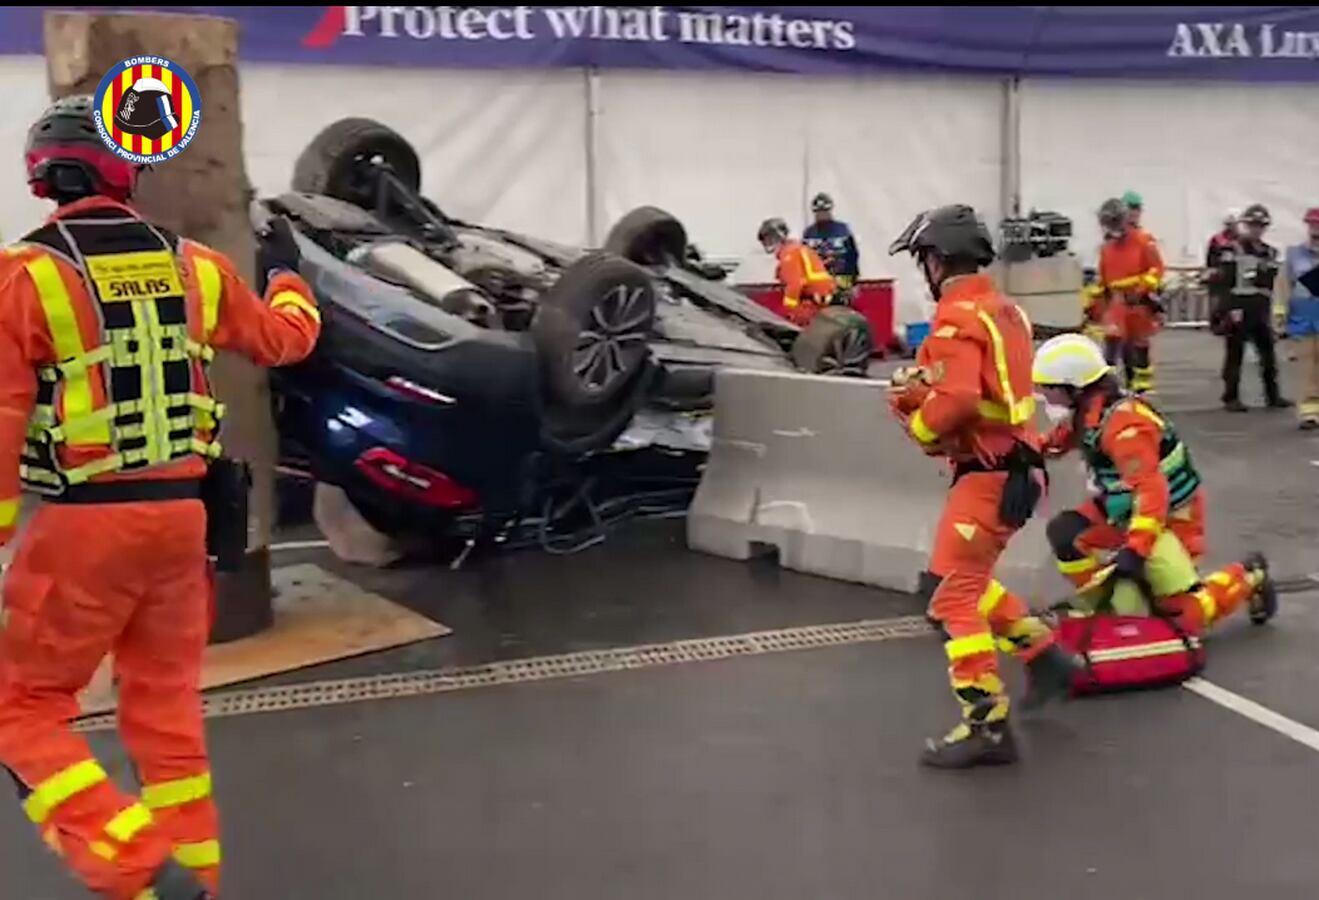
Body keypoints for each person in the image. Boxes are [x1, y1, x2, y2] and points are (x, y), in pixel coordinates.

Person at [0, 95, 321, 899]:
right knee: (167, 722)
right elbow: (285, 340)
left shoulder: (23, 276)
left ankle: (136, 868)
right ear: (125, 172)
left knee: (21, 709)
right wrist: (289, 281)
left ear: (44, 180)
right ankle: (191, 887)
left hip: (83, 529)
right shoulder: (196, 267)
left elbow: (3, 420)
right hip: (184, 525)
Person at [887, 204, 1080, 770]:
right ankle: (1045, 656)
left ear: (937, 260)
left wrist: (915, 422)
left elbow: (959, 400)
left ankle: (987, 725)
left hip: (988, 475)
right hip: (1015, 466)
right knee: (962, 581)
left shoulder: (955, 318)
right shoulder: (1006, 311)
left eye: (922, 258)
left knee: (951, 600)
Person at [1033, 333, 1277, 633]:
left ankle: (1249, 575)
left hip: (1170, 518)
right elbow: (1054, 443)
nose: (1044, 397)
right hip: (1121, 508)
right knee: (1065, 533)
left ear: (1074, 387)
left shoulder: (1125, 427)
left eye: (1049, 389)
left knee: (1184, 618)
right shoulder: (1087, 414)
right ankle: (1107, 603)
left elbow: (1152, 494)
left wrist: (1136, 550)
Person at [1210, 203, 1291, 412]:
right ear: (1246, 225)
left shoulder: (1270, 252)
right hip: (1238, 307)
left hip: (1260, 308)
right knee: (1235, 354)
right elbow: (1223, 282)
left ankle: (1272, 395)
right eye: (1253, 224)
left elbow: (1273, 281)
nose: (1257, 229)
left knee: (1268, 354)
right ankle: (1231, 397)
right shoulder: (1232, 250)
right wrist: (1224, 310)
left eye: (1260, 225)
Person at [1083, 197, 1164, 393]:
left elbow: (1157, 269)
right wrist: (1091, 301)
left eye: (1114, 223)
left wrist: (1139, 286)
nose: (1111, 229)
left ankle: (1140, 391)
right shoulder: (1107, 248)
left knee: (1138, 350)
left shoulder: (1144, 241)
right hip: (1117, 306)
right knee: (1111, 349)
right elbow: (1103, 280)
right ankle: (1107, 392)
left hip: (1138, 305)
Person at [1274, 207, 1319, 428]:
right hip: (1303, 320)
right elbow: (1283, 286)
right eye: (1312, 225)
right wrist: (1280, 314)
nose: (1315, 230)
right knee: (1306, 369)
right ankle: (1309, 413)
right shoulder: (1295, 255)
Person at [757, 217, 835, 326]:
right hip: (819, 300)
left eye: (767, 239)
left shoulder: (789, 254)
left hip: (813, 303)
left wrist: (788, 311)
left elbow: (795, 284)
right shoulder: (796, 248)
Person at [802, 192, 860, 291]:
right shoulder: (809, 233)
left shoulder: (842, 230)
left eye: (825, 211)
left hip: (842, 278)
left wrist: (852, 280)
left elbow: (852, 255)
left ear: (830, 210)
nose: (822, 215)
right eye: (818, 212)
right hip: (818, 281)